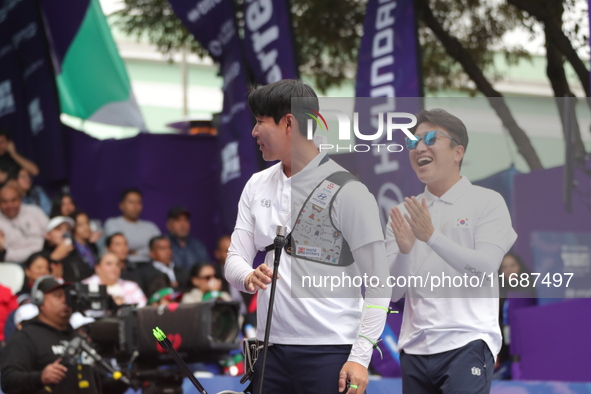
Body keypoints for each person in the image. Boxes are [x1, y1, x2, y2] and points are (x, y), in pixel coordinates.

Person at [225, 79, 390, 394]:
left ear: (289, 122)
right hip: (268, 350)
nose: (254, 132)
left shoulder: (349, 191)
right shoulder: (256, 185)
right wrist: (248, 277)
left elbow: (380, 283)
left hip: (331, 350)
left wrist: (360, 356)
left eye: (260, 122)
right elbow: (235, 258)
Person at [386, 109, 517, 393]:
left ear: (458, 152)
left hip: (467, 342)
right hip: (415, 348)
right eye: (413, 142)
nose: (419, 147)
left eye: (430, 138)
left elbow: (485, 268)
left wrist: (432, 237)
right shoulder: (401, 212)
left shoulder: (487, 202)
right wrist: (406, 252)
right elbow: (394, 292)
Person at [1, 276, 120, 394]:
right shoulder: (25, 337)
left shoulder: (79, 337)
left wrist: (124, 380)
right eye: (58, 296)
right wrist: (40, 378)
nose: (65, 300)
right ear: (40, 301)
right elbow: (8, 381)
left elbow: (101, 384)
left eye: (68, 296)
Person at [104, 188, 160, 264]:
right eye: (131, 202)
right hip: (124, 266)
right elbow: (118, 248)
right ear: (121, 205)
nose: (135, 206)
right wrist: (146, 251)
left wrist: (135, 252)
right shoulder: (112, 223)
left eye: (139, 202)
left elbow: (159, 249)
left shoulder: (151, 227)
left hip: (150, 266)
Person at [0, 184, 48, 262]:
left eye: (13, 200)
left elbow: (50, 235)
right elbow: (5, 256)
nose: (9, 205)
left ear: (20, 200)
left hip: (43, 258)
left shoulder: (34, 211)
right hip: (13, 265)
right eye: (4, 202)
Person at [82, 252, 147, 307]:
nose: (114, 267)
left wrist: (123, 306)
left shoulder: (131, 286)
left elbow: (142, 308)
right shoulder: (86, 285)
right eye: (109, 264)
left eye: (117, 264)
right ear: (97, 267)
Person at [43, 216, 93, 282]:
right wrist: (53, 258)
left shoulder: (76, 252)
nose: (64, 233)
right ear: (47, 235)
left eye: (67, 229)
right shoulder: (41, 256)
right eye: (59, 229)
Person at [166, 206, 210, 271]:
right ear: (169, 225)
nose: (183, 224)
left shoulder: (198, 245)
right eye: (178, 220)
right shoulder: (164, 245)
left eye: (185, 220)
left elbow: (207, 267)